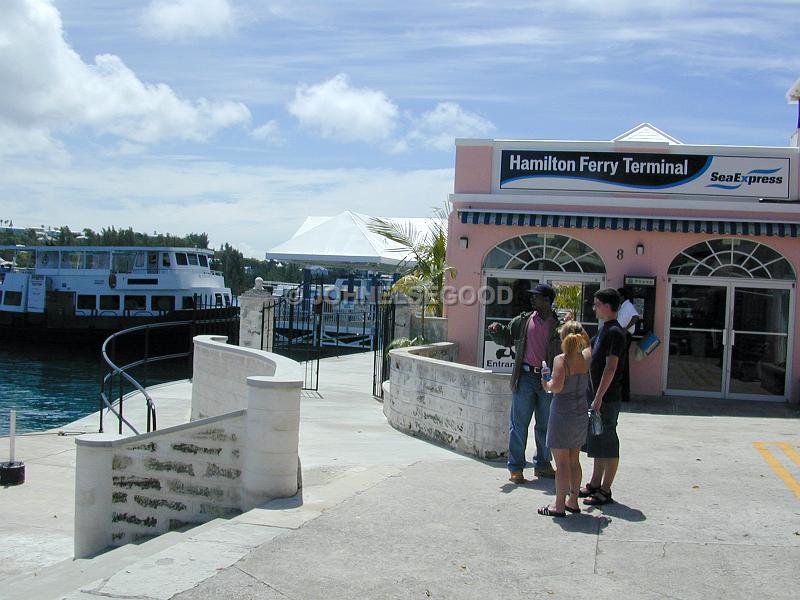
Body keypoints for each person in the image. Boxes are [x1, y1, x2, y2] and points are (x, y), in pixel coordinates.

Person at [488, 282, 561, 483]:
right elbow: (507, 337)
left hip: (547, 380)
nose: (532, 299)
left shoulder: (558, 325)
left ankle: (543, 464)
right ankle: (516, 468)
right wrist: (496, 330)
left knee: (545, 424)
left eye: (536, 297)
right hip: (526, 377)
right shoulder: (524, 320)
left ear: (547, 300)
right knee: (518, 424)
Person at [538, 321, 591, 517]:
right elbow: (588, 343)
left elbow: (556, 387)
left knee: (561, 464)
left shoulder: (561, 360)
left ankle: (558, 505)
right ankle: (573, 501)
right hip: (579, 412)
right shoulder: (585, 358)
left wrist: (546, 382)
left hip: (562, 413)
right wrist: (578, 326)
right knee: (574, 459)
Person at [581, 288, 626, 506]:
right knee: (598, 440)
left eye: (597, 304)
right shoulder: (604, 330)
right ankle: (595, 483)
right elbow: (589, 351)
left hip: (607, 398)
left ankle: (605, 489)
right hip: (598, 397)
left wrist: (598, 397)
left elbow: (611, 366)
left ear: (607, 306)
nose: (594, 308)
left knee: (608, 440)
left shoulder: (615, 332)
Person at [616, 287, 641, 403]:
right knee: (620, 364)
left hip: (625, 336)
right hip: (621, 334)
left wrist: (626, 329)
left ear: (622, 296)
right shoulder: (623, 306)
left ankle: (625, 394)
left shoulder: (628, 305)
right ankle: (621, 393)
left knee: (623, 365)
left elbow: (636, 317)